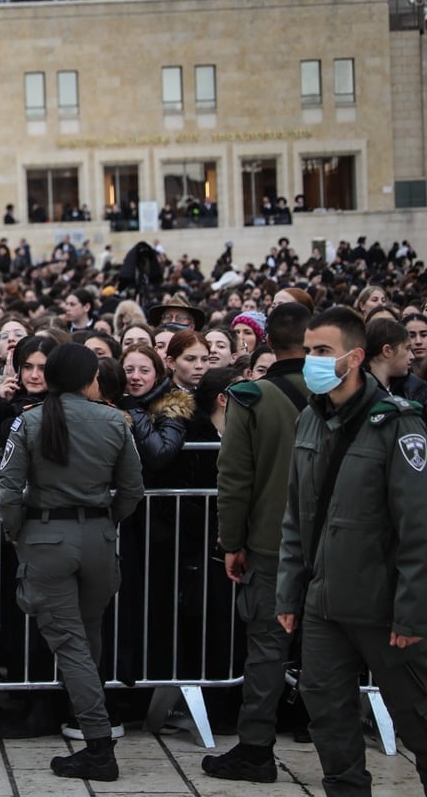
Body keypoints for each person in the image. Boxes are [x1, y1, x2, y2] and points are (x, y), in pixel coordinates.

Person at [276, 306, 427, 797]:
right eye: (308, 351)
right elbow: (296, 519)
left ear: (355, 357)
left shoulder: (397, 425)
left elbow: (417, 528)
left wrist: (411, 611)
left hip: (381, 605)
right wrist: (287, 594)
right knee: (328, 717)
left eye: (323, 352)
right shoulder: (308, 421)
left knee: (418, 716)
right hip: (322, 603)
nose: (312, 361)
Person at [0, 343, 144, 782]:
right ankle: (90, 728)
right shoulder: (115, 421)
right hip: (98, 537)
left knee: (71, 644)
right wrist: (105, 521)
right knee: (88, 634)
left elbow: (8, 490)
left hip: (47, 538)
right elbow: (133, 490)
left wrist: (17, 533)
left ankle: (98, 745)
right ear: (86, 379)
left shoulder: (29, 421)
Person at [203, 302, 311, 783]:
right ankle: (340, 749)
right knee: (340, 649)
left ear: (269, 342)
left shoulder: (251, 397)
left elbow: (234, 477)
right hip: (337, 543)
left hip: (272, 542)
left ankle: (255, 750)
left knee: (268, 648)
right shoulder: (347, 393)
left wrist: (232, 541)